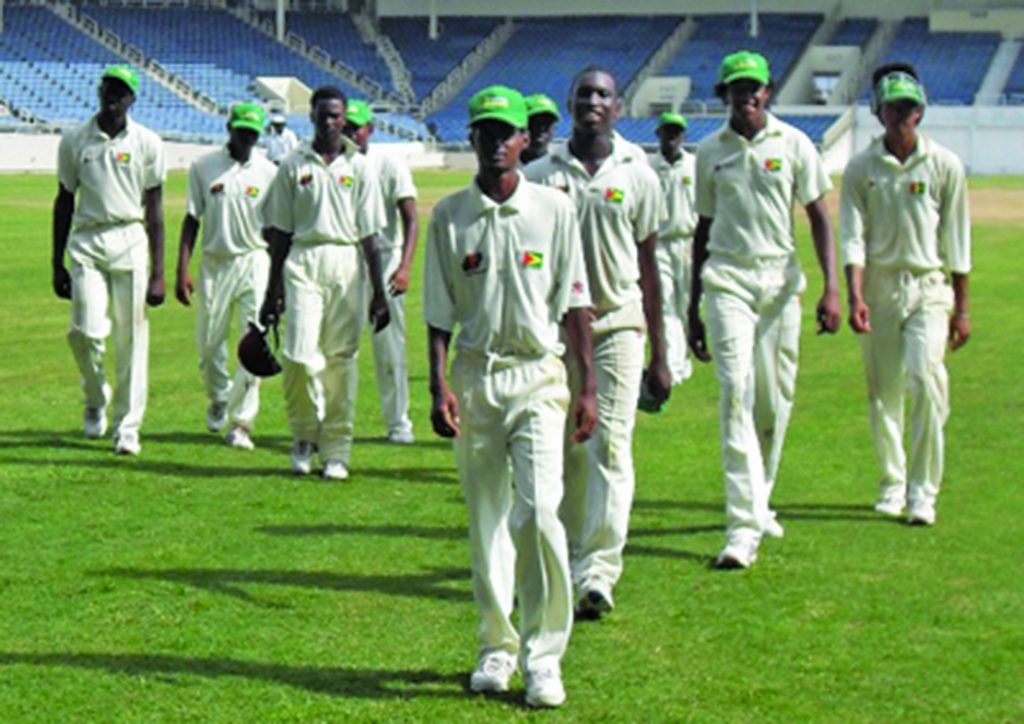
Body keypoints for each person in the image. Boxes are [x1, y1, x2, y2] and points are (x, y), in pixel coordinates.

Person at [424, 85, 596, 709]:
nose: (496, 142)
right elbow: (438, 314)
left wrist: (588, 388)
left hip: (538, 375)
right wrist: (438, 383)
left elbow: (576, 302)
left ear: (525, 139)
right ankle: (496, 647)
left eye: (507, 132)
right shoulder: (449, 216)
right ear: (471, 139)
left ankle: (544, 657)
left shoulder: (554, 210)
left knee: (540, 513)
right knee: (487, 520)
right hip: (475, 376)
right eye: (485, 132)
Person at [688, 51, 842, 569]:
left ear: (768, 91)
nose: (746, 95)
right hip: (727, 280)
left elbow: (819, 216)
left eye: (754, 87)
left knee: (773, 404)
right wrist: (692, 306)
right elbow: (702, 232)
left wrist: (832, 289)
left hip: (780, 282)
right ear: (725, 93)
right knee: (736, 394)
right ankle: (742, 528)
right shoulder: (709, 152)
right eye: (737, 87)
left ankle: (761, 497)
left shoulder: (794, 143)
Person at [526, 66, 669, 619]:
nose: (593, 100)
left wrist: (661, 351)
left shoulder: (638, 174)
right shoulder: (540, 173)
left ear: (618, 108)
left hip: (617, 324)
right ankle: (561, 559)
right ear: (570, 103)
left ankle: (599, 571)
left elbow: (650, 267)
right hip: (557, 333)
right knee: (564, 452)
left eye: (603, 95)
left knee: (610, 445)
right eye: (584, 92)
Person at [840, 63, 971, 526]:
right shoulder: (861, 168)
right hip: (879, 286)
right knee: (884, 393)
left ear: (921, 112)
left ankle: (923, 490)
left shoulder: (944, 165)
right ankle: (893, 481)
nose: (902, 116)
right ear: (878, 112)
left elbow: (957, 241)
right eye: (894, 108)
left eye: (910, 108)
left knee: (928, 381)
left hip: (928, 287)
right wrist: (855, 295)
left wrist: (962, 310)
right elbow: (852, 238)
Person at [259, 86, 390, 480]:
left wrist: (379, 293)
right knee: (298, 355)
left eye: (336, 116)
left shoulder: (359, 167)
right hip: (303, 258)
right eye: (322, 115)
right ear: (311, 116)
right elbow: (279, 232)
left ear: (344, 118)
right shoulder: (293, 164)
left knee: (340, 360)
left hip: (346, 261)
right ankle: (303, 435)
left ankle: (336, 450)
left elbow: (370, 235)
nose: (330, 122)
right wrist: (272, 290)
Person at [52, 64, 166, 456]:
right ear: (99, 91)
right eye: (109, 88)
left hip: (130, 237)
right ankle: (96, 394)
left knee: (132, 338)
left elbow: (155, 210)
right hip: (86, 238)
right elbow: (65, 199)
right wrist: (55, 262)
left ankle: (127, 426)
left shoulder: (147, 142)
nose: (114, 96)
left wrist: (159, 274)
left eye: (122, 90)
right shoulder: (75, 140)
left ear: (133, 98)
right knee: (83, 331)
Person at [175, 102, 277, 449]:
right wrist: (181, 270)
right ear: (229, 129)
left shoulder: (269, 172)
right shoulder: (204, 167)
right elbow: (192, 219)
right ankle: (219, 397)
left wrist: (278, 280)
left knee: (251, 345)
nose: (246, 139)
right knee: (208, 345)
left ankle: (241, 423)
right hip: (214, 263)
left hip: (254, 261)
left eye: (252, 133)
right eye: (241, 131)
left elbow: (278, 229)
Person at [343, 99, 419, 444]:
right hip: (346, 259)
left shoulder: (388, 164)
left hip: (386, 259)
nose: (350, 134)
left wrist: (404, 266)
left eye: (356, 127)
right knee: (341, 347)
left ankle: (399, 422)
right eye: (345, 128)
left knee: (389, 347)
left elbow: (411, 217)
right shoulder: (338, 165)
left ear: (370, 128)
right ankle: (337, 422)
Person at [648, 111, 698, 388]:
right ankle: (673, 364)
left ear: (683, 136)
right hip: (661, 244)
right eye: (667, 133)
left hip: (688, 242)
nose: (671, 138)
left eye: (676, 133)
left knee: (687, 303)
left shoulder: (693, 166)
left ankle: (686, 354)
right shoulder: (649, 167)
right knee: (665, 303)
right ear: (658, 135)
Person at [521, 93, 561, 166]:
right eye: (534, 122)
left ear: (555, 128)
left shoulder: (562, 165)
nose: (541, 128)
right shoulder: (503, 165)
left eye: (547, 122)